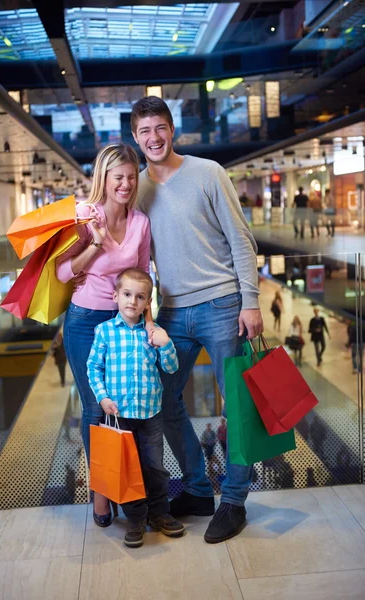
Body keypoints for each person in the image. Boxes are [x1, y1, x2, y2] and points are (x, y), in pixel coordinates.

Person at [131, 96, 264, 544]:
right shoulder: (140, 190)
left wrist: (251, 301)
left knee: (237, 405)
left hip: (223, 304)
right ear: (135, 137)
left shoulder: (209, 173)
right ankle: (198, 488)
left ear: (173, 129)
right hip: (171, 311)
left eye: (160, 127)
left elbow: (242, 241)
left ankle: (234, 501)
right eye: (145, 131)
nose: (154, 137)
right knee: (164, 401)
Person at [56, 143, 151, 527]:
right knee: (95, 406)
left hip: (124, 325)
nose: (126, 184)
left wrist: (147, 322)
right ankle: (100, 495)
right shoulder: (84, 214)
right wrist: (94, 242)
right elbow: (64, 272)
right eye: (118, 177)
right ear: (104, 178)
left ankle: (127, 487)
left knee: (122, 406)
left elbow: (144, 277)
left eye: (131, 177)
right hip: (84, 322)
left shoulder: (141, 222)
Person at [87, 268, 184, 548]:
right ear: (115, 295)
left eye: (140, 297)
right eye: (127, 294)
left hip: (150, 414)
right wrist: (103, 397)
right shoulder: (105, 331)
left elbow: (171, 367)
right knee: (128, 469)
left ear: (148, 303)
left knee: (155, 467)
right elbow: (94, 368)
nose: (132, 301)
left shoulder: (152, 332)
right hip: (120, 417)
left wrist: (165, 345)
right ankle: (136, 518)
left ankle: (159, 513)